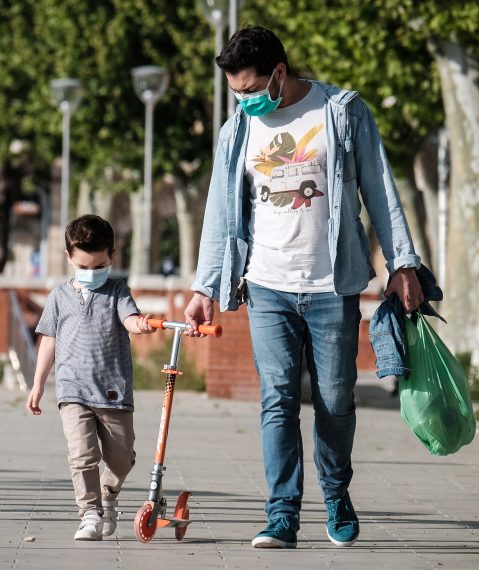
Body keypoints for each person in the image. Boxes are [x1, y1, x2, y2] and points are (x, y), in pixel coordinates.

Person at [184, 26, 425, 549]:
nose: (245, 102)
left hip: (331, 284)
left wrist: (402, 263)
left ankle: (336, 494)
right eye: (235, 94)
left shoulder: (341, 110)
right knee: (278, 401)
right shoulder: (236, 133)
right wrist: (205, 286)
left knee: (336, 400)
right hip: (267, 285)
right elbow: (219, 213)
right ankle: (282, 514)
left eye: (251, 90)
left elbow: (380, 189)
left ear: (279, 72)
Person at [26, 214, 155, 541]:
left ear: (112, 256)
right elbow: (49, 339)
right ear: (69, 258)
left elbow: (129, 319)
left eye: (98, 265)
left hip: (113, 392)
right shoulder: (59, 296)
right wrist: (39, 384)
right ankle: (89, 514)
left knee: (122, 458)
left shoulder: (117, 291)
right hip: (73, 391)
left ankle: (109, 495)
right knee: (82, 456)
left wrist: (140, 324)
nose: (91, 273)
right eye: (83, 266)